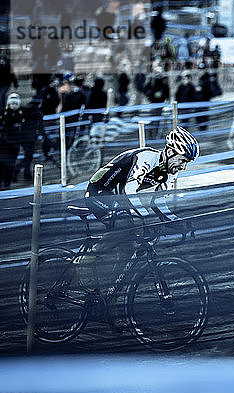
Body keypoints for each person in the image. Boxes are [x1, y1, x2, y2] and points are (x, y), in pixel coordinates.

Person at [75, 126, 200, 319]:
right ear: (170, 151)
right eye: (182, 161)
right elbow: (129, 192)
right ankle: (85, 261)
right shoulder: (146, 159)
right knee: (126, 225)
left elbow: (158, 202)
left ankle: (109, 303)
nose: (183, 167)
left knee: (127, 252)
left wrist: (178, 222)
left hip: (118, 199)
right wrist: (146, 218)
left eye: (187, 163)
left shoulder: (169, 171)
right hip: (99, 193)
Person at [0, 93, 26, 189]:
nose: (14, 105)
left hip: (14, 146)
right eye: (12, 104)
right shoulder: (4, 114)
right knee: (2, 166)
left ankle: (7, 184)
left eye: (15, 103)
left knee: (10, 165)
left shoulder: (21, 114)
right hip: (3, 145)